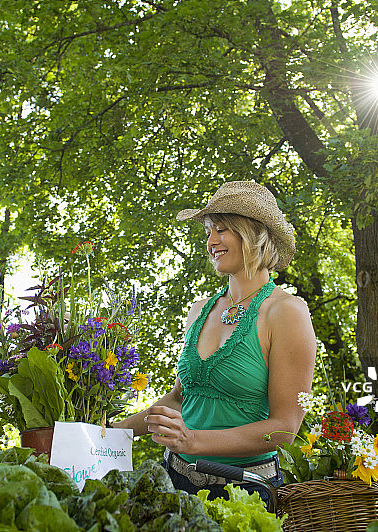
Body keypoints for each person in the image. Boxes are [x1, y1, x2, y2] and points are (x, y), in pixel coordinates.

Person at [113, 181, 317, 505]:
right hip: (174, 480)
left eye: (222, 230)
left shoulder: (286, 313)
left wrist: (193, 441)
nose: (211, 241)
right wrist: (113, 432)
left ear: (253, 233)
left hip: (244, 490)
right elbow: (181, 400)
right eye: (209, 231)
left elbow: (284, 429)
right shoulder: (200, 310)